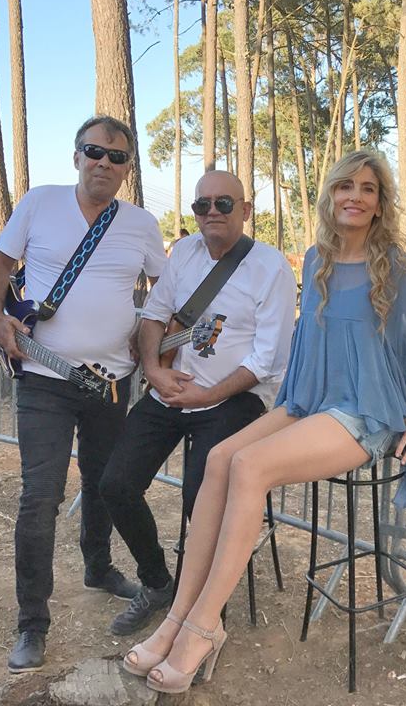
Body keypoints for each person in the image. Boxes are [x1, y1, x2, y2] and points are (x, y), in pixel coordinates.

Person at [120, 150, 406, 694]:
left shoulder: (394, 266)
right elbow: (307, 352)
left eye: (368, 188)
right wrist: (291, 407)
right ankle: (178, 617)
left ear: (379, 202)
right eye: (345, 186)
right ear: (331, 196)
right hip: (313, 400)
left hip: (368, 412)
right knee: (220, 458)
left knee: (249, 465)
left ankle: (203, 626)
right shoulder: (317, 260)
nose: (355, 196)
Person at [0, 115, 168, 673]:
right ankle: (32, 623)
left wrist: (149, 334)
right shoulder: (39, 203)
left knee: (104, 483)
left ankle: (98, 567)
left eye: (117, 156)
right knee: (40, 496)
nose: (104, 163)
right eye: (94, 151)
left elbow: (165, 289)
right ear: (77, 155)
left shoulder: (141, 224)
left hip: (111, 382)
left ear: (128, 168)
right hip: (45, 378)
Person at [98, 169, 298, 637]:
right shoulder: (184, 252)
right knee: (116, 484)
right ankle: (158, 584)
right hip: (171, 390)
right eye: (201, 205)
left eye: (223, 204)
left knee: (199, 501)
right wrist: (154, 370)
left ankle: (201, 613)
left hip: (233, 400)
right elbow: (155, 315)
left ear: (245, 211)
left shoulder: (271, 269)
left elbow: (267, 358)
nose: (212, 212)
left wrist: (208, 394)